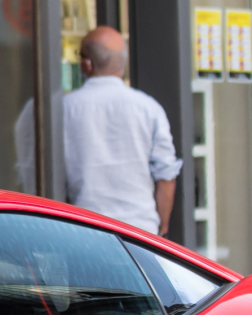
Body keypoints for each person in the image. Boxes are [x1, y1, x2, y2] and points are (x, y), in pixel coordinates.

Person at [55, 25, 182, 235]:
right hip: (140, 232)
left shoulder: (64, 109)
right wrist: (162, 226)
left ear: (86, 64)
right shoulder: (148, 108)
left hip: (83, 229)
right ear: (122, 64)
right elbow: (166, 175)